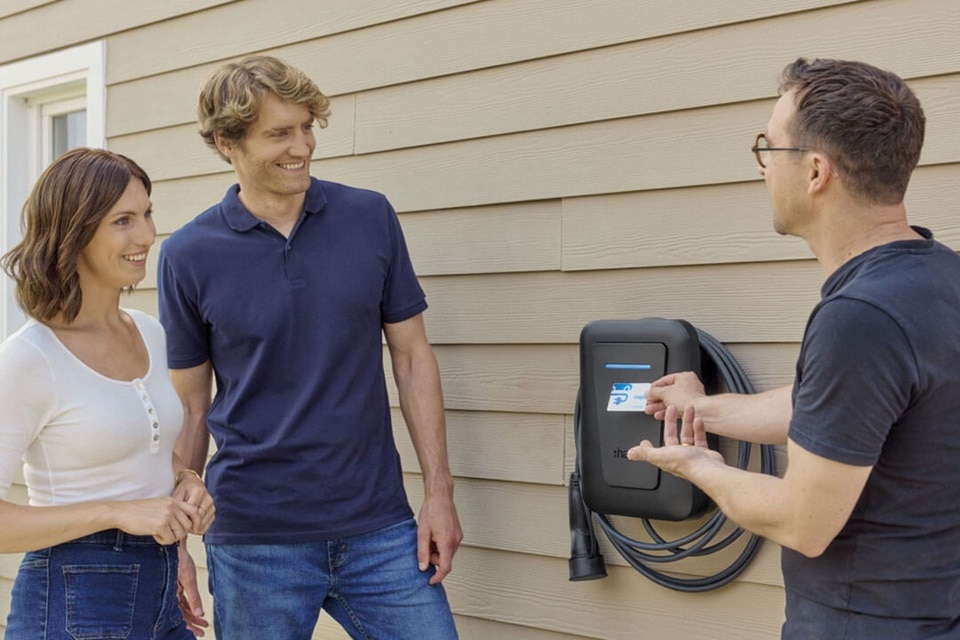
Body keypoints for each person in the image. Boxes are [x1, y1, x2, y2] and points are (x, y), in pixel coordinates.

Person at [628, 58, 960, 638]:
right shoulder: (938, 280)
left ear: (814, 171)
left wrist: (700, 467)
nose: (761, 167)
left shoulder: (859, 318)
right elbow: (837, 409)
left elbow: (804, 521)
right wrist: (702, 408)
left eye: (769, 148)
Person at [157, 55, 461, 640]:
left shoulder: (369, 217)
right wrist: (175, 540)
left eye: (307, 127)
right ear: (227, 143)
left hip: (379, 525)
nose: (303, 146)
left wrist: (439, 495)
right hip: (254, 538)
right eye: (279, 134)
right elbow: (191, 408)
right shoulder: (188, 255)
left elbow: (413, 357)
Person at [0, 148, 215, 639]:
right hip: (74, 595)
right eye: (122, 220)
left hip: (159, 589)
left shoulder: (149, 332)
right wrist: (118, 512)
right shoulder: (30, 358)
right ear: (73, 233)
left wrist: (186, 481)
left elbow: (150, 452)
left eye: (146, 213)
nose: (145, 235)